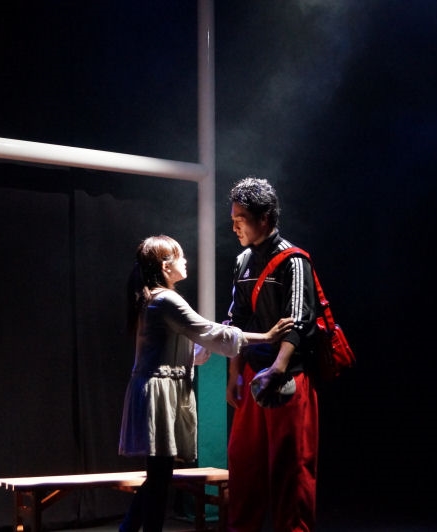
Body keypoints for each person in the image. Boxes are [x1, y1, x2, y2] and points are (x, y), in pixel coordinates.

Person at [118, 234, 294, 532]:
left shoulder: (156, 298)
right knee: (159, 475)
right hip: (159, 391)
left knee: (160, 474)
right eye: (180, 256)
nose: (185, 261)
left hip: (160, 387)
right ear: (165, 266)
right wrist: (266, 337)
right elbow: (207, 331)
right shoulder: (166, 299)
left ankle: (131, 528)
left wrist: (217, 337)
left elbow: (193, 349)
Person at [225, 177, 320, 531]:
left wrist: (278, 369)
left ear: (264, 218)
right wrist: (234, 375)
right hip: (252, 375)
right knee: (244, 465)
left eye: (241, 219)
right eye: (233, 219)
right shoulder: (242, 262)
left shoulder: (294, 260)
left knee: (290, 470)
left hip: (286, 378)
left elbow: (299, 322)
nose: (234, 227)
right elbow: (236, 322)